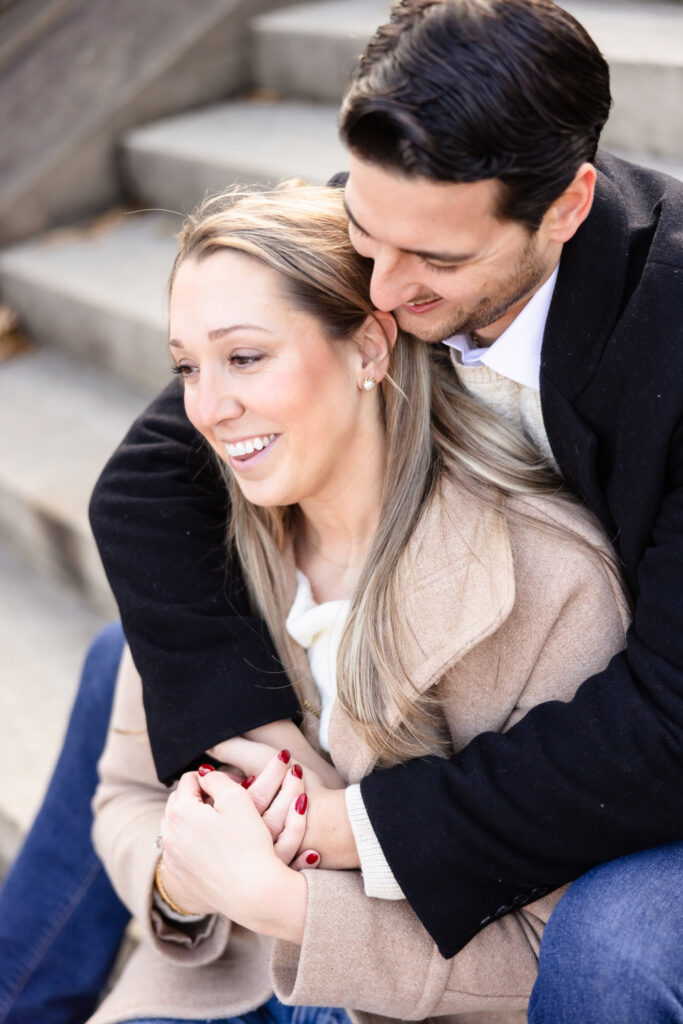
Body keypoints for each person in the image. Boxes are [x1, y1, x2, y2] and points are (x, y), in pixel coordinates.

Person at [2, 0, 682, 1020]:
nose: (381, 289)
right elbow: (149, 481)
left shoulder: (663, 335)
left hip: (630, 716)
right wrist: (267, 760)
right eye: (365, 231)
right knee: (132, 661)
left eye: (437, 264)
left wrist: (338, 828)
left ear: (566, 207)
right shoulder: (398, 224)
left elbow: (663, 726)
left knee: (607, 944)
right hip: (417, 657)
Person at [86, 179, 628, 1024]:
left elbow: (555, 960)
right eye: (187, 367)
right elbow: (126, 795)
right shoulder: (199, 548)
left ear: (370, 349)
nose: (207, 407)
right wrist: (179, 883)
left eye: (245, 356)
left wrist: (289, 907)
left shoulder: (546, 580)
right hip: (218, 988)